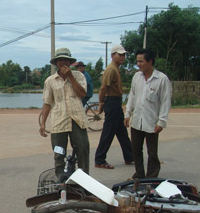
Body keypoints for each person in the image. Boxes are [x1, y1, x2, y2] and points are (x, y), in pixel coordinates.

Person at [39, 47, 90, 177]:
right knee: (59, 152)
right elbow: (47, 103)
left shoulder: (79, 76)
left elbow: (83, 93)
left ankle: (84, 181)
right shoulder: (50, 81)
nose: (63, 63)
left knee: (82, 149)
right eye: (60, 60)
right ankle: (60, 179)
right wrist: (43, 124)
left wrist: (70, 77)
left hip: (77, 120)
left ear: (70, 62)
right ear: (56, 63)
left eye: (66, 60)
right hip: (58, 121)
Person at [124, 48, 172, 178]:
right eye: (137, 61)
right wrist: (127, 114)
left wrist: (161, 121)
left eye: (141, 61)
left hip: (151, 121)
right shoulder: (136, 77)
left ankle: (152, 177)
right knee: (136, 150)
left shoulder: (161, 79)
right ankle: (139, 174)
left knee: (152, 152)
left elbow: (165, 102)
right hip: (136, 121)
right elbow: (132, 96)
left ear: (150, 61)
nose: (138, 64)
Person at [94, 45, 134, 169]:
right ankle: (100, 159)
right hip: (111, 102)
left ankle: (130, 157)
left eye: (123, 55)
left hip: (116, 101)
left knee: (121, 132)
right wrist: (101, 103)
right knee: (108, 132)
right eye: (119, 54)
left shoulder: (116, 69)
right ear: (113, 55)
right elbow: (103, 88)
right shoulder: (111, 70)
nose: (122, 57)